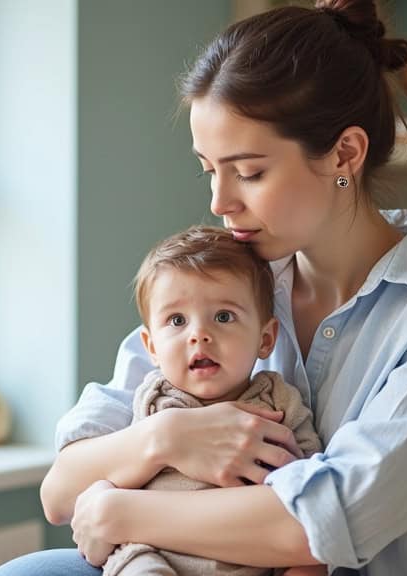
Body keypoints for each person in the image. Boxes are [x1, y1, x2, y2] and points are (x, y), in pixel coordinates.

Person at [0, 1, 407, 574]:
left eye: (249, 172)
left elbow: (322, 525)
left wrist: (118, 512)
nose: (220, 202)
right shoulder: (222, 286)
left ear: (345, 154)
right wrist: (167, 437)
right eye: (209, 170)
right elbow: (61, 492)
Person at [102, 225, 323, 576]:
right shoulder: (152, 401)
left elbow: (311, 497)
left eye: (223, 317)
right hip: (154, 556)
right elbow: (114, 482)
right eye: (177, 320)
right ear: (152, 347)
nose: (199, 335)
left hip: (253, 561)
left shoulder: (279, 404)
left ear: (265, 339)